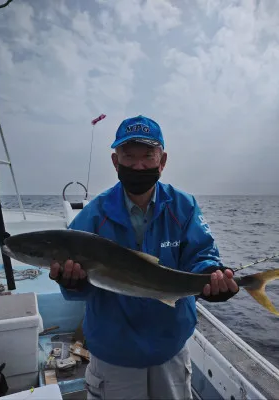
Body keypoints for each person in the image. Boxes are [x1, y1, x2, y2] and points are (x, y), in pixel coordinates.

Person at [50, 115, 239, 400]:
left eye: (147, 156)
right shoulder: (93, 215)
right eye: (129, 156)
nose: (138, 165)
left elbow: (201, 254)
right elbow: (79, 282)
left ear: (162, 162)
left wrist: (211, 275)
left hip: (170, 349)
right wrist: (72, 282)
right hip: (114, 355)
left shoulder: (183, 206)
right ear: (116, 162)